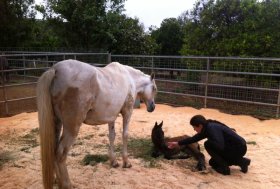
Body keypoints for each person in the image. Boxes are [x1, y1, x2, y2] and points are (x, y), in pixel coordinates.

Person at [167, 115, 251, 175]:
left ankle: (225, 168)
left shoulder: (211, 129)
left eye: (194, 127)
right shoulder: (207, 127)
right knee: (213, 163)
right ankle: (242, 161)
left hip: (238, 149)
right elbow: (194, 139)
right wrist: (177, 143)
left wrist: (211, 140)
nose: (194, 129)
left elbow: (220, 146)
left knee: (207, 144)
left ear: (199, 126)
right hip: (238, 147)